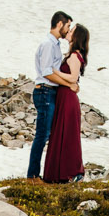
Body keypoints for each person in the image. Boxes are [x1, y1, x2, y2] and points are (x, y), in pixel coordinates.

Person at [40, 24, 89, 185]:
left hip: (68, 98)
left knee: (67, 134)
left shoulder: (74, 55)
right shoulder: (72, 54)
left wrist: (54, 71)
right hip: (64, 97)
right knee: (61, 133)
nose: (68, 32)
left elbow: (73, 78)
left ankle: (70, 172)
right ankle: (59, 173)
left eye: (72, 31)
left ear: (76, 37)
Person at [28, 12, 73, 181]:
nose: (67, 30)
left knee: (46, 133)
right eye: (67, 26)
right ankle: (32, 175)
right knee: (42, 134)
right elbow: (47, 72)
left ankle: (42, 173)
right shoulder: (48, 44)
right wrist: (68, 84)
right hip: (45, 91)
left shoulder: (54, 45)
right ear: (60, 24)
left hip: (49, 92)